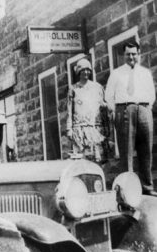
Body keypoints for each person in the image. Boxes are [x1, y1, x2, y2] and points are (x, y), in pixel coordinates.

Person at [105, 39, 157, 196]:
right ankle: (127, 190)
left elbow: (152, 94)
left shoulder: (145, 73)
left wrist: (146, 109)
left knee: (146, 150)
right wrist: (116, 112)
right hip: (125, 110)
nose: (131, 57)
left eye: (134, 54)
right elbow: (109, 96)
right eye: (128, 54)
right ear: (123, 55)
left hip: (144, 109)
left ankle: (147, 187)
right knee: (126, 153)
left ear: (139, 54)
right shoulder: (116, 73)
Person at [66, 58, 109, 162]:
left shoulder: (97, 87)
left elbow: (104, 108)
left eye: (88, 70)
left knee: (98, 159)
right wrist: (69, 129)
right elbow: (69, 111)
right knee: (83, 160)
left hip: (96, 129)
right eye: (83, 70)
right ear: (78, 72)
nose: (85, 72)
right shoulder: (73, 89)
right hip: (80, 130)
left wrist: (107, 127)